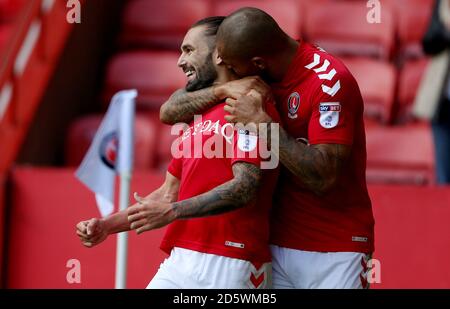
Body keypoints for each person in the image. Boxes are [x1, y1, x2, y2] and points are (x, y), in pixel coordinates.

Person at [160, 8, 375, 289]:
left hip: (334, 246)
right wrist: (220, 91)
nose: (229, 74)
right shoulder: (258, 71)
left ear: (257, 63)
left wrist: (263, 125)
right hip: (272, 246)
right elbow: (169, 111)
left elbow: (324, 177)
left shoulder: (330, 82)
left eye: (233, 68)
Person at [76, 16, 280, 289]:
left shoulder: (249, 106)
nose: (180, 61)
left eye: (189, 50)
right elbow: (167, 193)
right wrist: (106, 226)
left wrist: (171, 211)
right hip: (182, 258)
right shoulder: (199, 115)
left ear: (220, 53)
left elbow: (244, 187)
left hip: (233, 260)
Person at [414, 0, 450, 184]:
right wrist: (446, 31)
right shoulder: (442, 4)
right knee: (443, 172)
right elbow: (428, 42)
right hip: (442, 98)